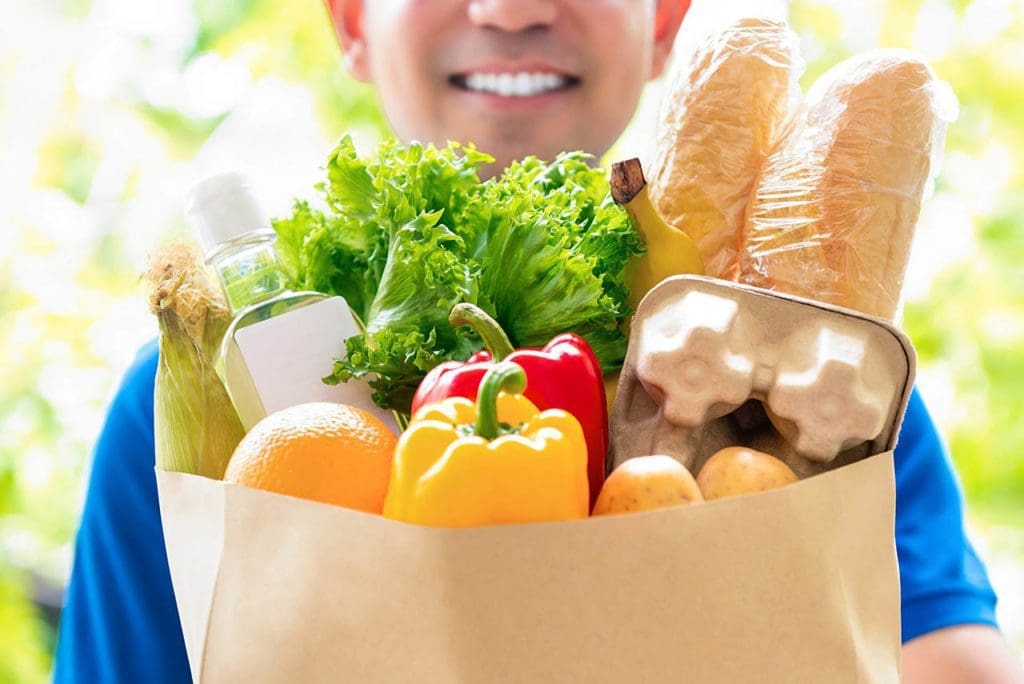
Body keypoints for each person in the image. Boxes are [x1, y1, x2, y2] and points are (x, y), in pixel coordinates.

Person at [54, 1, 1022, 682]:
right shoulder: (208, 398)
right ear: (353, 21)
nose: (511, 8)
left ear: (662, 20)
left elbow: (949, 658)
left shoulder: (805, 382)